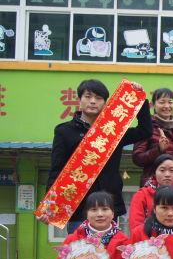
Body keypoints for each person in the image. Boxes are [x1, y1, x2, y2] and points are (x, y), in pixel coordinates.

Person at [47, 79, 152, 232]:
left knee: (109, 247)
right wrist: (50, 205)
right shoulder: (64, 131)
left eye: (98, 98)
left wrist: (139, 100)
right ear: (79, 100)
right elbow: (56, 169)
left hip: (108, 205)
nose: (93, 101)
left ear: (105, 103)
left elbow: (145, 131)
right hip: (78, 207)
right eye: (88, 96)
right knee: (79, 247)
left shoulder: (114, 131)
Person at [133, 88, 173, 186]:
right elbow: (137, 158)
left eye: (170, 102)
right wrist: (158, 149)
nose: (166, 106)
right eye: (162, 102)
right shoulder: (146, 128)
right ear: (153, 105)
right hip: (152, 184)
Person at [128, 154, 173, 230]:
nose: (167, 175)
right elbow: (135, 226)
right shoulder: (141, 195)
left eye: (172, 170)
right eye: (162, 170)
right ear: (154, 173)